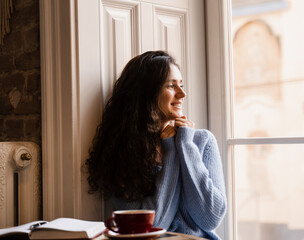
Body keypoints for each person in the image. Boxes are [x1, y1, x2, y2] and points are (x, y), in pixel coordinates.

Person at [85, 51, 226, 239]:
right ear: (147, 93)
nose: (182, 93)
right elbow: (153, 226)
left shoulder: (202, 142)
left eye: (181, 85)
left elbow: (211, 218)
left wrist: (185, 146)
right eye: (171, 85)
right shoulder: (124, 152)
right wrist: (171, 152)